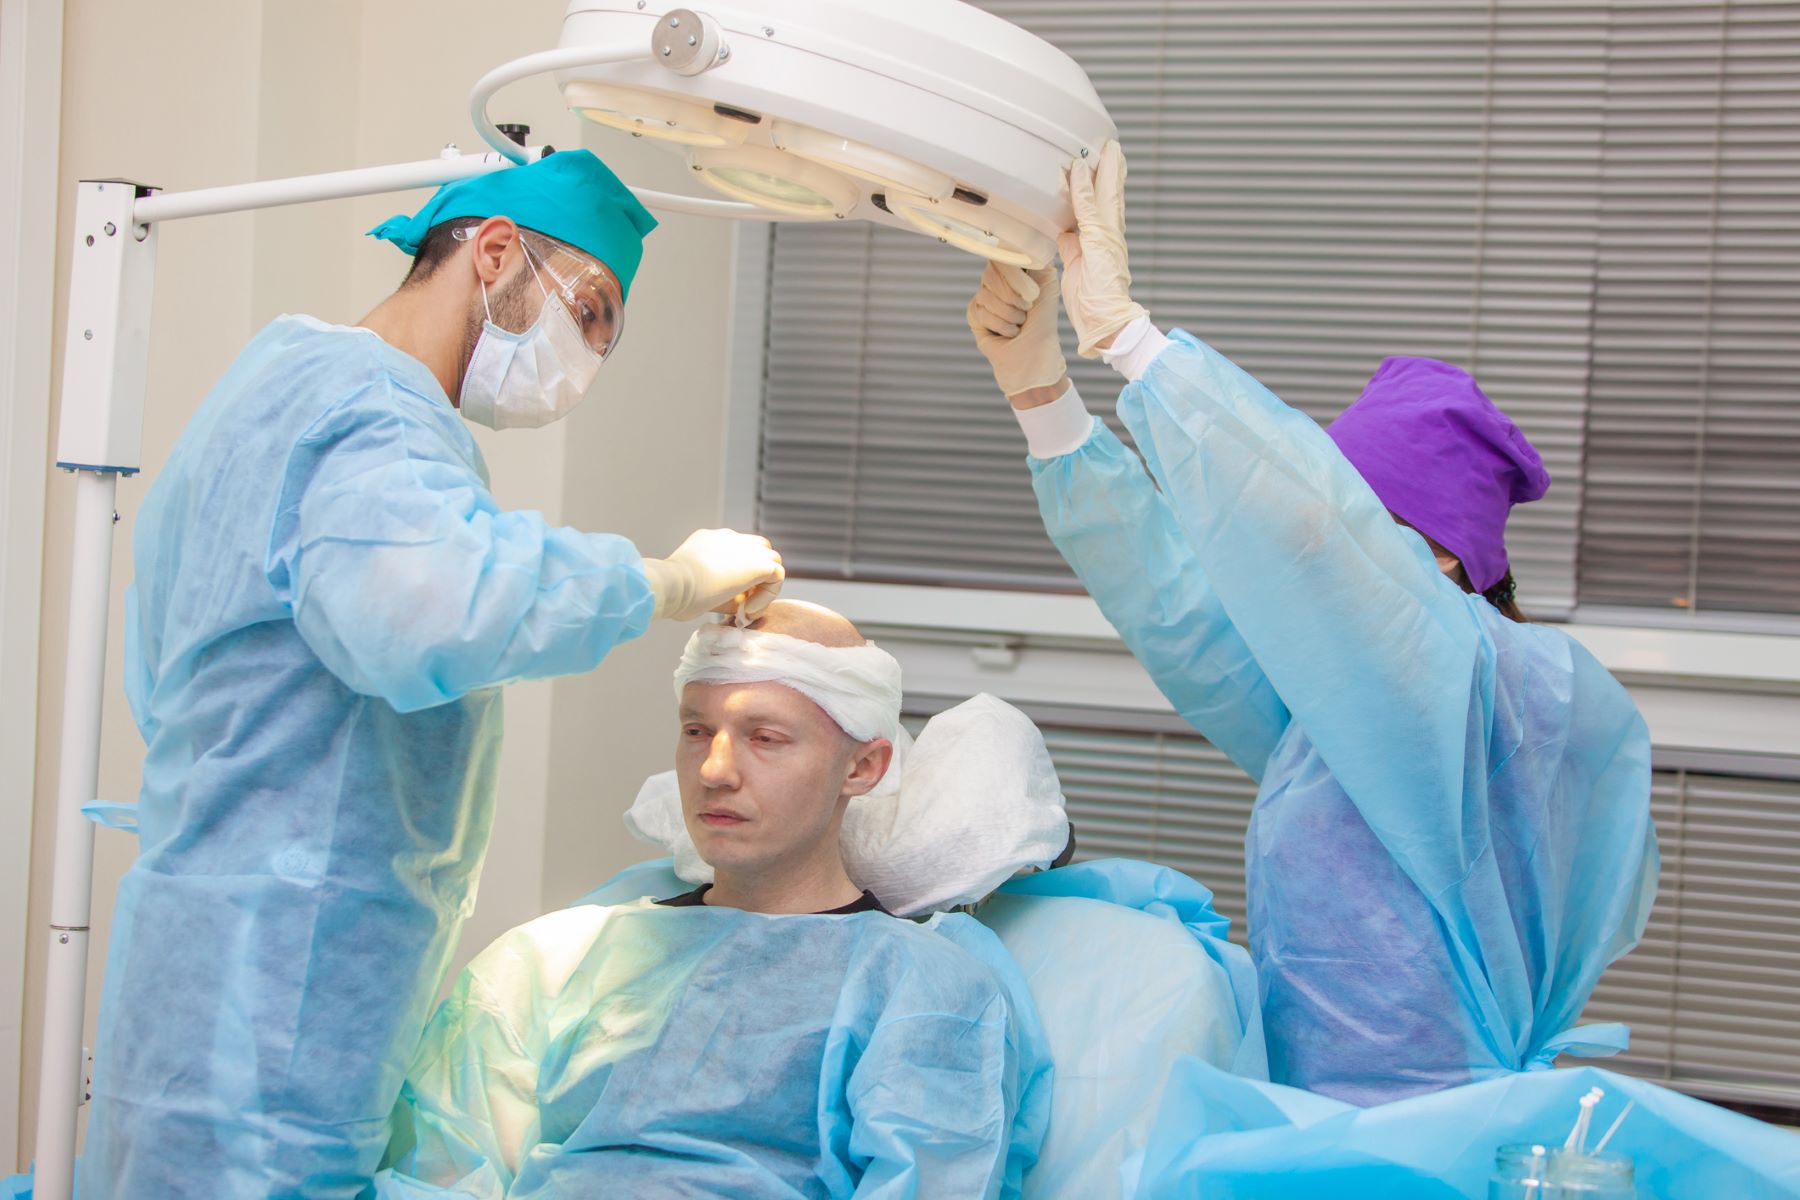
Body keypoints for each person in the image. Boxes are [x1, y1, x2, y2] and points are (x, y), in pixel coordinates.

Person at [86, 149, 787, 1198]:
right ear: (495, 254)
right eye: (588, 311)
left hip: (220, 947)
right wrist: (671, 581)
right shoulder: (369, 415)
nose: (588, 355)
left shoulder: (278, 389)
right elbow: (437, 610)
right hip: (274, 979)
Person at [965, 141, 1658, 1105]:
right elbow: (1179, 605)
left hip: (1433, 1132)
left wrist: (1128, 338)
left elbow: (1302, 532)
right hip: (1318, 1113)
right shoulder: (1341, 719)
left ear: (1442, 555)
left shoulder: (1504, 695)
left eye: (1353, 535)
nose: (1306, 564)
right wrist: (1042, 397)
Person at [375, 599, 1052, 1198]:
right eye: (696, 730)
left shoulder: (921, 990)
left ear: (862, 767)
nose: (714, 770)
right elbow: (435, 1172)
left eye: (765, 738)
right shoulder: (546, 965)